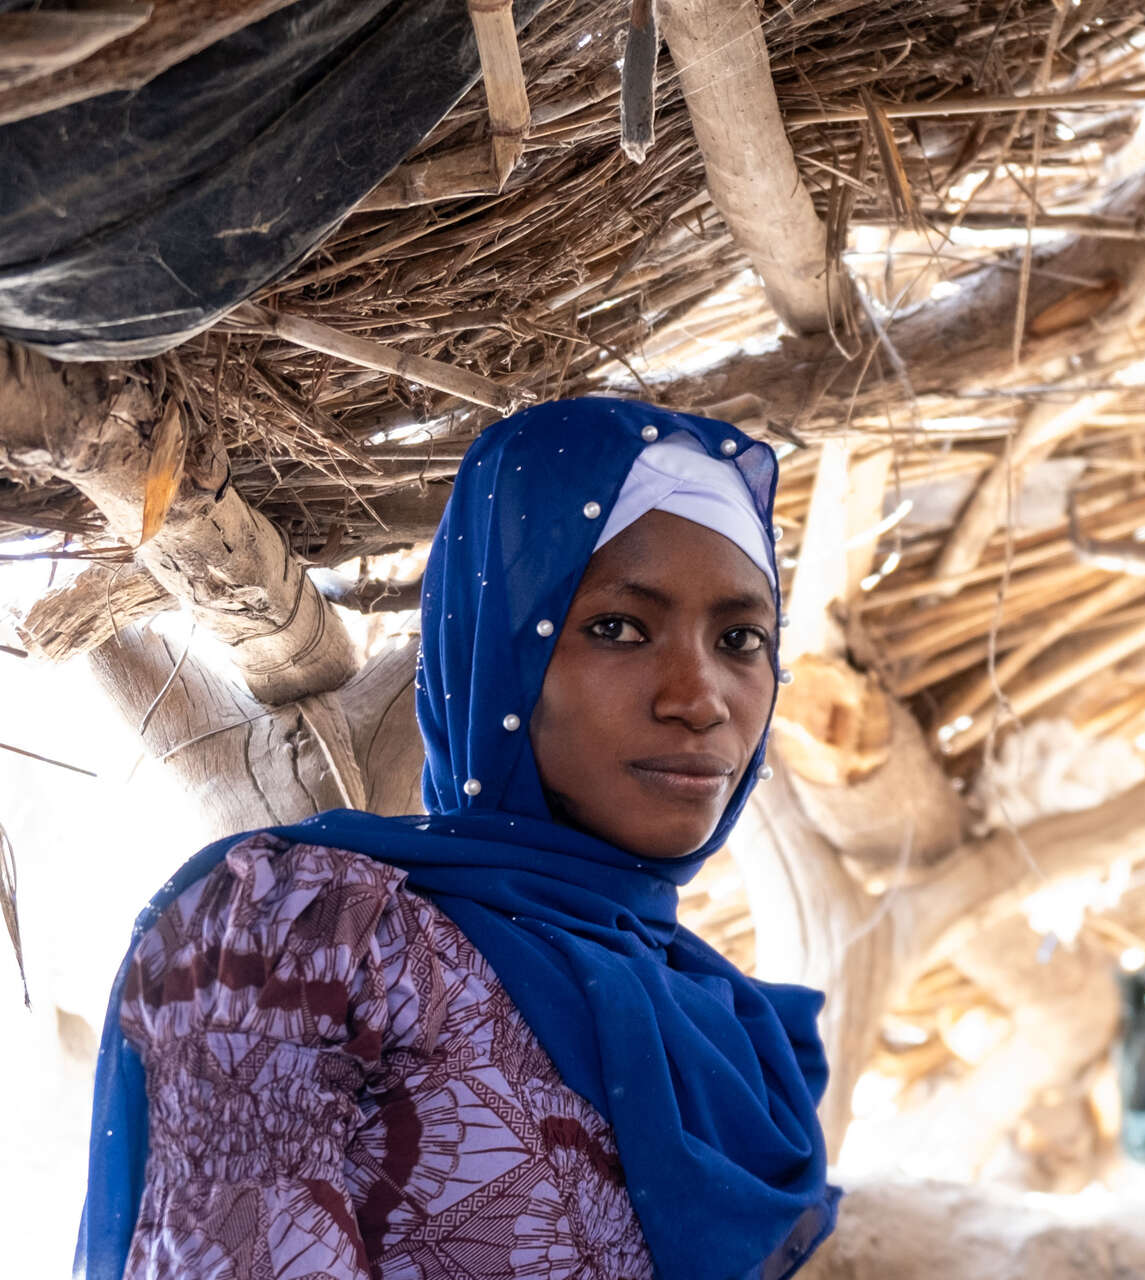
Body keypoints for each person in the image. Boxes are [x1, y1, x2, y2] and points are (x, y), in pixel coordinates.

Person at [76, 397, 839, 1279]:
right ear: (496, 655)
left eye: (741, 638)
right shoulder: (312, 939)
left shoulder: (728, 1032)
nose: (699, 698)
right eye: (618, 629)